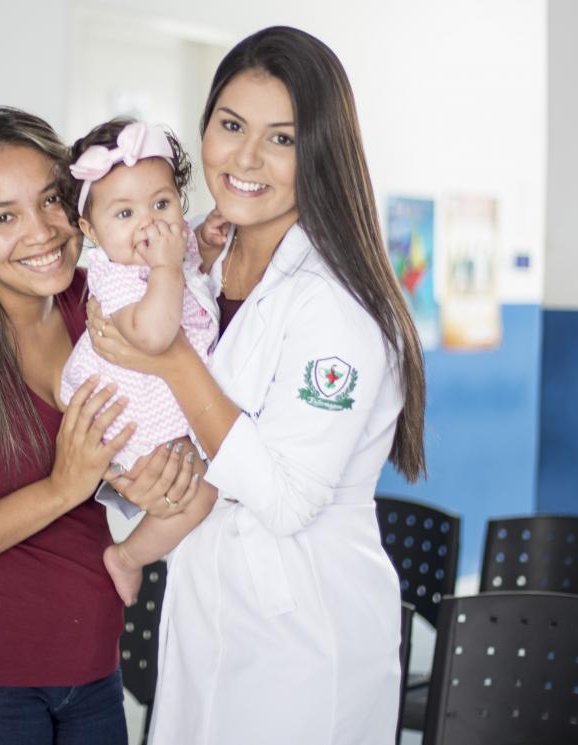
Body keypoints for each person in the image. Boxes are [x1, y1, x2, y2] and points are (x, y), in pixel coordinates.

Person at [89, 27, 428, 745]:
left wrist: (169, 357)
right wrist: (132, 480)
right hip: (208, 612)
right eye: (231, 125)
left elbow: (286, 496)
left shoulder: (337, 306)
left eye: (282, 138)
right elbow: (177, 433)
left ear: (322, 152)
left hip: (304, 638)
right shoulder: (202, 271)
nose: (245, 158)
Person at [0, 106, 201, 745]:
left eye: (51, 200)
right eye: (3, 217)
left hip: (92, 675)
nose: (41, 231)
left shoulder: (100, 300)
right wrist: (61, 487)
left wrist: (160, 473)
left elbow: (184, 330)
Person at [57, 119, 219, 606]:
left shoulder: (165, 247)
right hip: (134, 412)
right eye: (124, 214)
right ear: (90, 230)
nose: (148, 225)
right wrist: (168, 267)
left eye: (162, 204)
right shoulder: (118, 277)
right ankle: (127, 557)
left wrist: (204, 242)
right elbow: (154, 334)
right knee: (204, 493)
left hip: (167, 398)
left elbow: (190, 267)